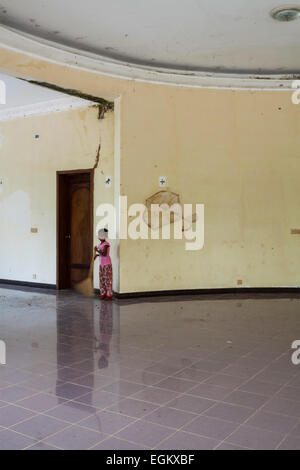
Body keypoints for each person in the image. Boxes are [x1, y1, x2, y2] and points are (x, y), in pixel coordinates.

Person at [94, 228, 113, 300]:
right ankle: (103, 294)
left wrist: (97, 251)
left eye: (100, 235)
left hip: (107, 264)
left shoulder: (106, 244)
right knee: (102, 280)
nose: (99, 236)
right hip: (101, 265)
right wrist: (96, 255)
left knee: (107, 280)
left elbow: (104, 254)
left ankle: (109, 295)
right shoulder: (100, 244)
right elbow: (101, 254)